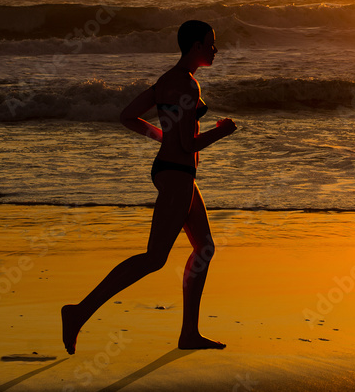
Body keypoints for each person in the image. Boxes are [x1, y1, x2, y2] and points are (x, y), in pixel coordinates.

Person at [61, 20, 237, 353]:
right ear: (196, 46)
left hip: (171, 171)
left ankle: (189, 334)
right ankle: (78, 313)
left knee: (204, 248)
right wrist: (222, 132)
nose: (216, 49)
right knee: (154, 258)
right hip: (177, 173)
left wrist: (159, 136)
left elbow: (128, 116)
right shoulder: (187, 86)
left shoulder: (166, 81)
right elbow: (188, 145)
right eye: (211, 44)